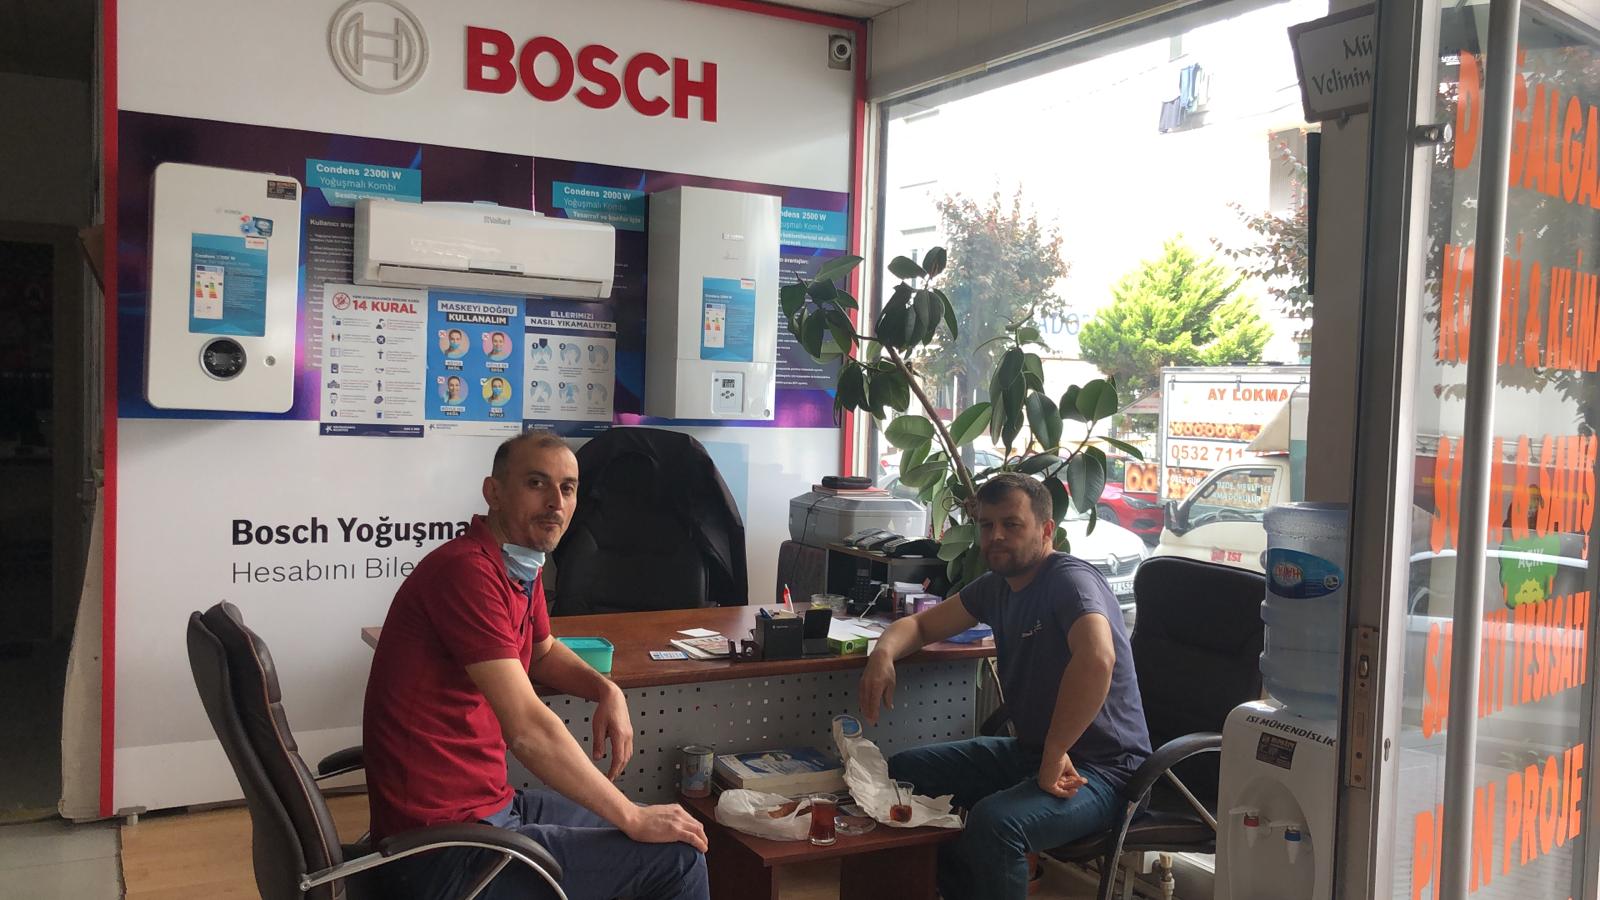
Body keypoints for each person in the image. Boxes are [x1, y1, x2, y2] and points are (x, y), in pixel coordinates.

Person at [364, 431, 709, 900]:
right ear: (494, 492)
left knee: (667, 835)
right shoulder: (467, 571)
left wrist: (605, 689)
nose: (555, 502)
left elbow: (542, 651)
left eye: (568, 488)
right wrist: (631, 816)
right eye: (536, 483)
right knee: (676, 859)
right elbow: (527, 729)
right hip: (441, 851)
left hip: (490, 809)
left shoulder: (517, 567)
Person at [859, 473, 1150, 900]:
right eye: (987, 525)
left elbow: (1097, 658)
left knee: (997, 825)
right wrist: (883, 654)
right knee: (903, 772)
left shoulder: (1069, 581)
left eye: (1011, 524)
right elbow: (920, 626)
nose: (996, 536)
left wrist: (1055, 752)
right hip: (1034, 753)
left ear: (1046, 530)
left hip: (1107, 773)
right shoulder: (998, 587)